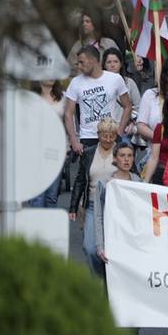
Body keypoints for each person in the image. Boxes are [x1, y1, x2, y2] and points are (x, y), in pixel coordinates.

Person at [64, 46, 132, 214]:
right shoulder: (76, 82)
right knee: (87, 179)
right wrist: (74, 140)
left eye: (81, 62)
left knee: (114, 175)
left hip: (111, 135)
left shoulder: (114, 79)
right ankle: (86, 214)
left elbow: (128, 106)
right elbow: (68, 113)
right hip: (88, 137)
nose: (78, 66)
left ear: (94, 60)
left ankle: (116, 212)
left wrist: (120, 131)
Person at [92, 141, 143, 335]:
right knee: (111, 289)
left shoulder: (139, 182)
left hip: (132, 243)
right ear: (115, 158)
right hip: (113, 242)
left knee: (134, 288)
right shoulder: (105, 184)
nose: (126, 159)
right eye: (122, 155)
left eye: (130, 156)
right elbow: (97, 214)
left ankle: (133, 332)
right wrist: (100, 244)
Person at [70, 119, 120, 276]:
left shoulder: (121, 152)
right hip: (92, 205)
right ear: (98, 135)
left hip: (115, 206)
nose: (108, 139)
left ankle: (108, 283)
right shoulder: (89, 152)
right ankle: (98, 278)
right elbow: (80, 180)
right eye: (105, 135)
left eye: (112, 136)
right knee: (91, 248)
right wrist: (73, 207)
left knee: (113, 248)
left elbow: (131, 176)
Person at [27, 79, 65, 208]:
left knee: (52, 197)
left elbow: (69, 122)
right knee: (37, 196)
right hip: (34, 151)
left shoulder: (63, 97)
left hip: (55, 151)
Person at [101, 48, 141, 133]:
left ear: (121, 64)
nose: (112, 65)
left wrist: (133, 123)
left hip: (124, 130)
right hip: (104, 129)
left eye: (115, 61)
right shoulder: (99, 85)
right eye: (109, 62)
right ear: (104, 65)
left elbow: (139, 107)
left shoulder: (129, 83)